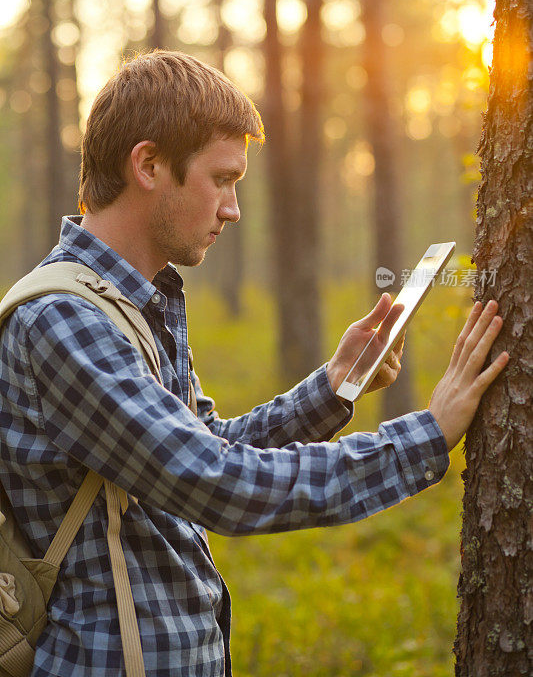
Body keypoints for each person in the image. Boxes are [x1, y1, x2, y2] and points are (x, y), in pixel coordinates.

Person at [0, 50, 509, 677]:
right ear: (149, 164)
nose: (233, 208)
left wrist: (332, 387)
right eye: (222, 179)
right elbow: (215, 481)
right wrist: (424, 437)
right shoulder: (63, 322)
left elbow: (205, 445)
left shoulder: (131, 305)